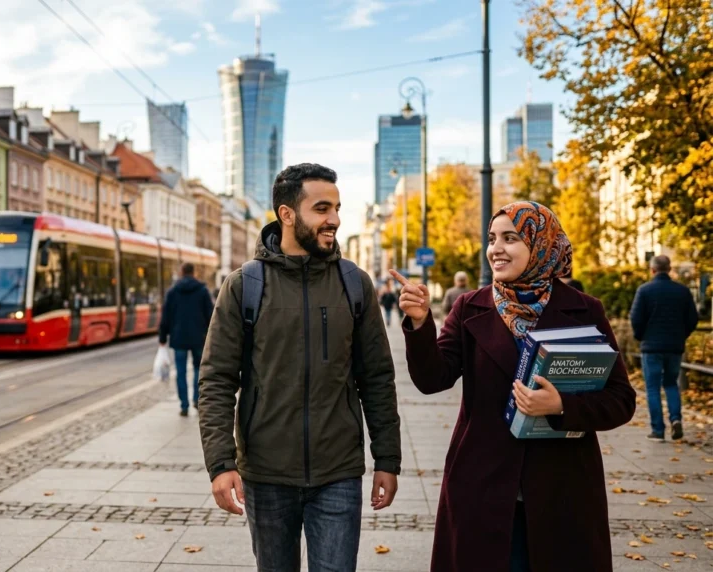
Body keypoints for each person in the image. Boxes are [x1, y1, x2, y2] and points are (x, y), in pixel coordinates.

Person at [392, 201, 635, 571]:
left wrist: (561, 406)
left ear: (541, 245)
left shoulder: (585, 309)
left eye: (510, 238)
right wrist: (420, 323)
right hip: (481, 486)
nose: (496, 249)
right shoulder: (469, 307)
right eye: (492, 239)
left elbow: (621, 400)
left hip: (562, 489)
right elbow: (432, 379)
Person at [198, 163, 401, 571]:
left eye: (337, 208)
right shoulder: (244, 286)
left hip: (338, 472)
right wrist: (221, 464)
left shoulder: (354, 283)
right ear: (287, 214)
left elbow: (377, 378)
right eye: (322, 209)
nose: (335, 220)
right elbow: (217, 380)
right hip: (266, 473)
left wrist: (387, 459)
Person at [630, 254, 699, 441]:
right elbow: (692, 319)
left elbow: (636, 319)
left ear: (652, 270)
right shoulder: (682, 291)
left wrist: (641, 337)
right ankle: (676, 419)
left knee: (652, 388)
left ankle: (658, 430)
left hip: (651, 347)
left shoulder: (644, 290)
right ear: (669, 269)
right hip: (674, 347)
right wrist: (681, 336)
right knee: (671, 383)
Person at [158, 262, 214, 416]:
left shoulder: (173, 291)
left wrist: (162, 337)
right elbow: (211, 315)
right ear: (193, 272)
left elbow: (165, 316)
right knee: (198, 369)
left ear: (182, 272)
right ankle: (196, 399)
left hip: (179, 337)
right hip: (199, 337)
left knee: (180, 371)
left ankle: (184, 405)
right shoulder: (202, 291)